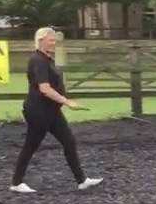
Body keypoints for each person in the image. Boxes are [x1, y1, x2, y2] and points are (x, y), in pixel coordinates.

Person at [9, 27, 103, 193]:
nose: (54, 43)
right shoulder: (38, 60)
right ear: (41, 40)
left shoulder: (47, 59)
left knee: (69, 141)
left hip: (51, 111)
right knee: (31, 145)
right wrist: (66, 102)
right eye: (51, 40)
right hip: (39, 111)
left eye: (54, 40)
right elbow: (44, 88)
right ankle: (16, 183)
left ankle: (81, 180)